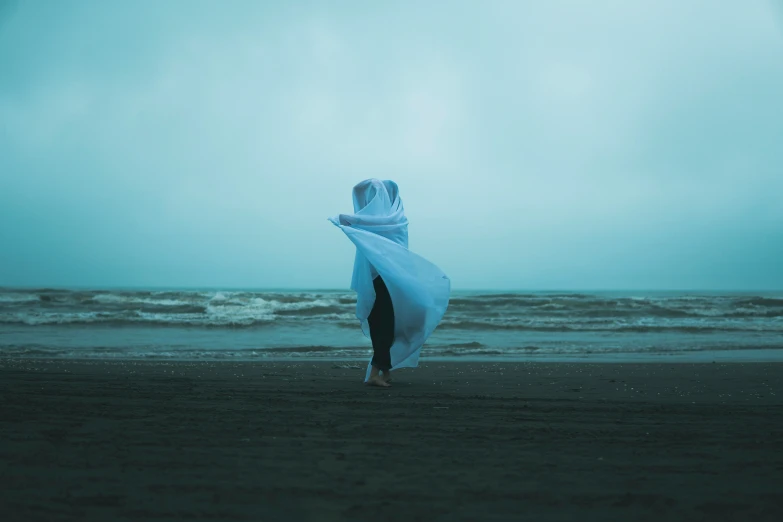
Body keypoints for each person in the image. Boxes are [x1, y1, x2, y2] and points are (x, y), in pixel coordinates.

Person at [329, 179, 450, 387]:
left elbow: (370, 224)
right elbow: (361, 195)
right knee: (382, 325)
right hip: (380, 280)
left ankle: (381, 371)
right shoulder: (389, 221)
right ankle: (378, 372)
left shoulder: (394, 221)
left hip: (391, 281)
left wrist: (343, 218)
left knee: (389, 325)